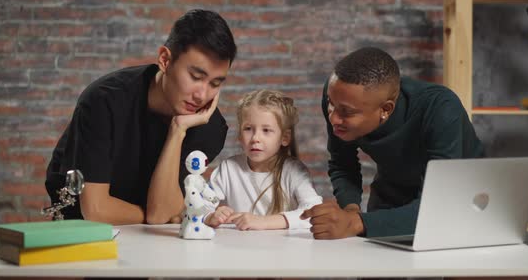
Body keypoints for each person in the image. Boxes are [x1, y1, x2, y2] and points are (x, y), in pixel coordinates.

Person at [45, 9, 237, 225]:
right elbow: (96, 211)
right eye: (195, 77)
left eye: (215, 83)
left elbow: (163, 213)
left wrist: (178, 130)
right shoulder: (104, 100)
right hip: (85, 234)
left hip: (157, 242)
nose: (202, 95)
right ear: (165, 60)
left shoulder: (208, 127)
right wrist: (157, 215)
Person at [301, 47, 484, 239]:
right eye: (330, 103)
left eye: (347, 112)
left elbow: (438, 205)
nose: (334, 118)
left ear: (386, 109)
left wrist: (356, 222)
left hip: (461, 203)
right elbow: (342, 162)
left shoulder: (441, 108)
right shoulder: (339, 95)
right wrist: (350, 211)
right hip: (390, 197)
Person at [205, 89, 322, 230]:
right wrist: (211, 216)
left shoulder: (293, 171)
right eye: (248, 129)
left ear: (284, 138)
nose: (255, 138)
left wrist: (264, 222)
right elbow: (199, 205)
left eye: (266, 130)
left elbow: (315, 212)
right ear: (240, 136)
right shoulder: (228, 169)